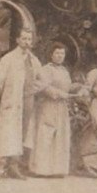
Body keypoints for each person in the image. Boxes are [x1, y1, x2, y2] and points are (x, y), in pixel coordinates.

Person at [0, 28, 41, 182]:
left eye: (29, 40)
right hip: (12, 102)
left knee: (22, 134)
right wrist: (7, 98)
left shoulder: (33, 60)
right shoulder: (9, 59)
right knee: (7, 133)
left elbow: (41, 79)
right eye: (24, 39)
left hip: (27, 101)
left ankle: (14, 167)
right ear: (18, 40)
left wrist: (34, 89)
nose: (26, 43)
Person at [28, 42, 74, 177]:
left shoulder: (64, 71)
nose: (60, 56)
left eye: (62, 53)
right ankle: (41, 169)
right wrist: (59, 94)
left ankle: (57, 169)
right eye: (57, 53)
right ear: (51, 55)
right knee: (46, 135)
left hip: (61, 107)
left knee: (60, 136)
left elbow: (67, 87)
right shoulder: (46, 69)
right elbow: (43, 87)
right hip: (48, 105)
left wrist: (77, 89)